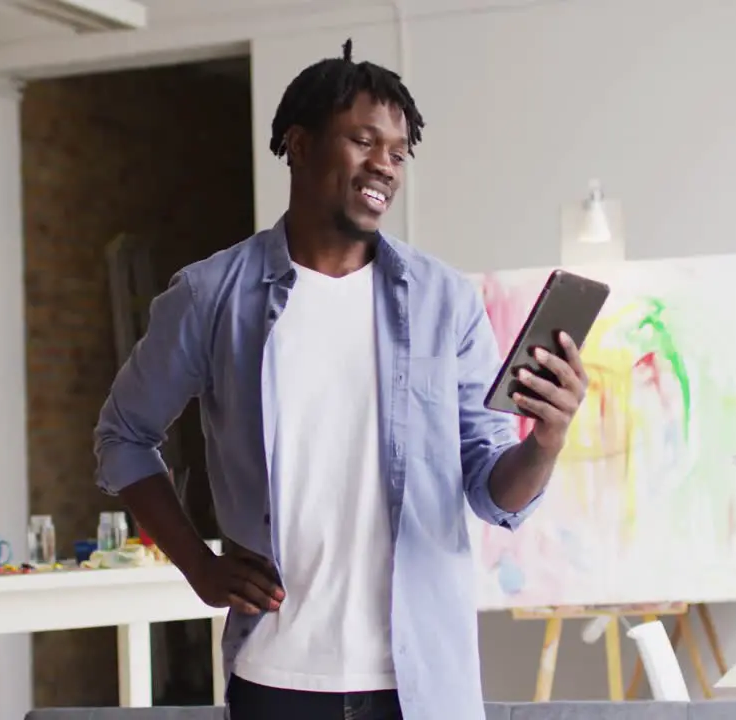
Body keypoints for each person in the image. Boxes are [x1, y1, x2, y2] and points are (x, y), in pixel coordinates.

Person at [93, 39, 589, 720]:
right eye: (364, 140)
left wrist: (547, 442)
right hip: (276, 675)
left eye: (399, 150)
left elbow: (491, 490)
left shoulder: (445, 301)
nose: (386, 163)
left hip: (421, 684)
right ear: (297, 145)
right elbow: (123, 436)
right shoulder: (211, 295)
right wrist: (199, 567)